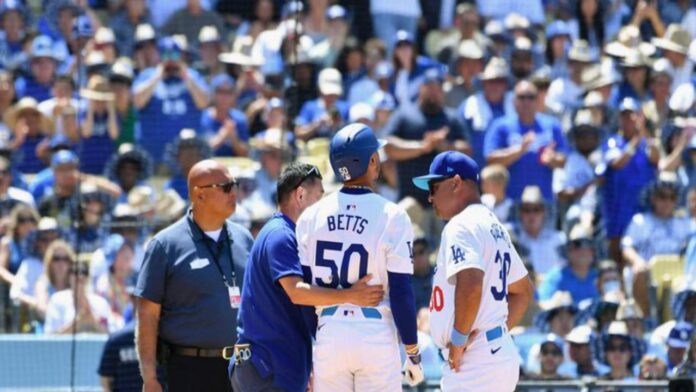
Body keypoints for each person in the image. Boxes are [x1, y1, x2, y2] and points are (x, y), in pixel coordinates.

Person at [231, 162, 386, 391]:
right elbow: (297, 292)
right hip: (267, 366)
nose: (324, 205)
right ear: (301, 195)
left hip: (276, 364)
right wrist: (351, 295)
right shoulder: (280, 235)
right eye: (320, 196)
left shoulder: (289, 233)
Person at [296, 124, 424, 390]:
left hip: (329, 332)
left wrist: (317, 338)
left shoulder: (311, 215)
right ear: (372, 161)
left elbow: (306, 295)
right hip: (374, 332)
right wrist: (412, 350)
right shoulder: (393, 214)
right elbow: (401, 290)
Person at [412, 150, 534, 391]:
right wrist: (494, 333)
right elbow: (524, 291)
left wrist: (459, 342)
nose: (429, 197)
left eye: (434, 187)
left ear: (456, 183)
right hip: (493, 354)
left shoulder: (461, 224)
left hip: (475, 362)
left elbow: (471, 285)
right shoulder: (492, 224)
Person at [136, 159, 253, 392]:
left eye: (235, 184)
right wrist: (149, 377)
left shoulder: (244, 238)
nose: (234, 192)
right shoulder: (165, 245)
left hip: (241, 367)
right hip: (189, 369)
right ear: (199, 195)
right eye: (226, 186)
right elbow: (147, 314)